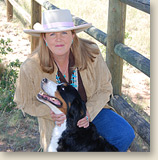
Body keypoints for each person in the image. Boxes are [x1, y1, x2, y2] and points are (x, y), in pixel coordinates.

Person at [14, 9, 135, 152]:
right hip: (58, 120)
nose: (59, 39)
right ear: (44, 39)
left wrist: (88, 112)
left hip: (91, 111)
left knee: (124, 135)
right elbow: (24, 101)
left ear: (73, 35)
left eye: (64, 32)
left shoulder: (91, 53)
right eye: (52, 34)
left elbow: (105, 87)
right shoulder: (31, 67)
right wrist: (52, 111)